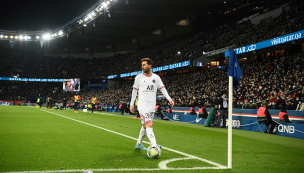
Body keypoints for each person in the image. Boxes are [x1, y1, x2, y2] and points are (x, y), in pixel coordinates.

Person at [130, 58, 174, 150]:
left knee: (145, 126)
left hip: (151, 106)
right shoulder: (138, 77)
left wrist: (169, 98)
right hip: (142, 106)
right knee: (149, 124)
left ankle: (138, 144)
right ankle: (154, 145)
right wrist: (132, 104)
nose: (142, 67)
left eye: (144, 65)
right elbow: (134, 91)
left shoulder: (156, 77)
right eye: (142, 65)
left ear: (150, 66)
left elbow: (162, 88)